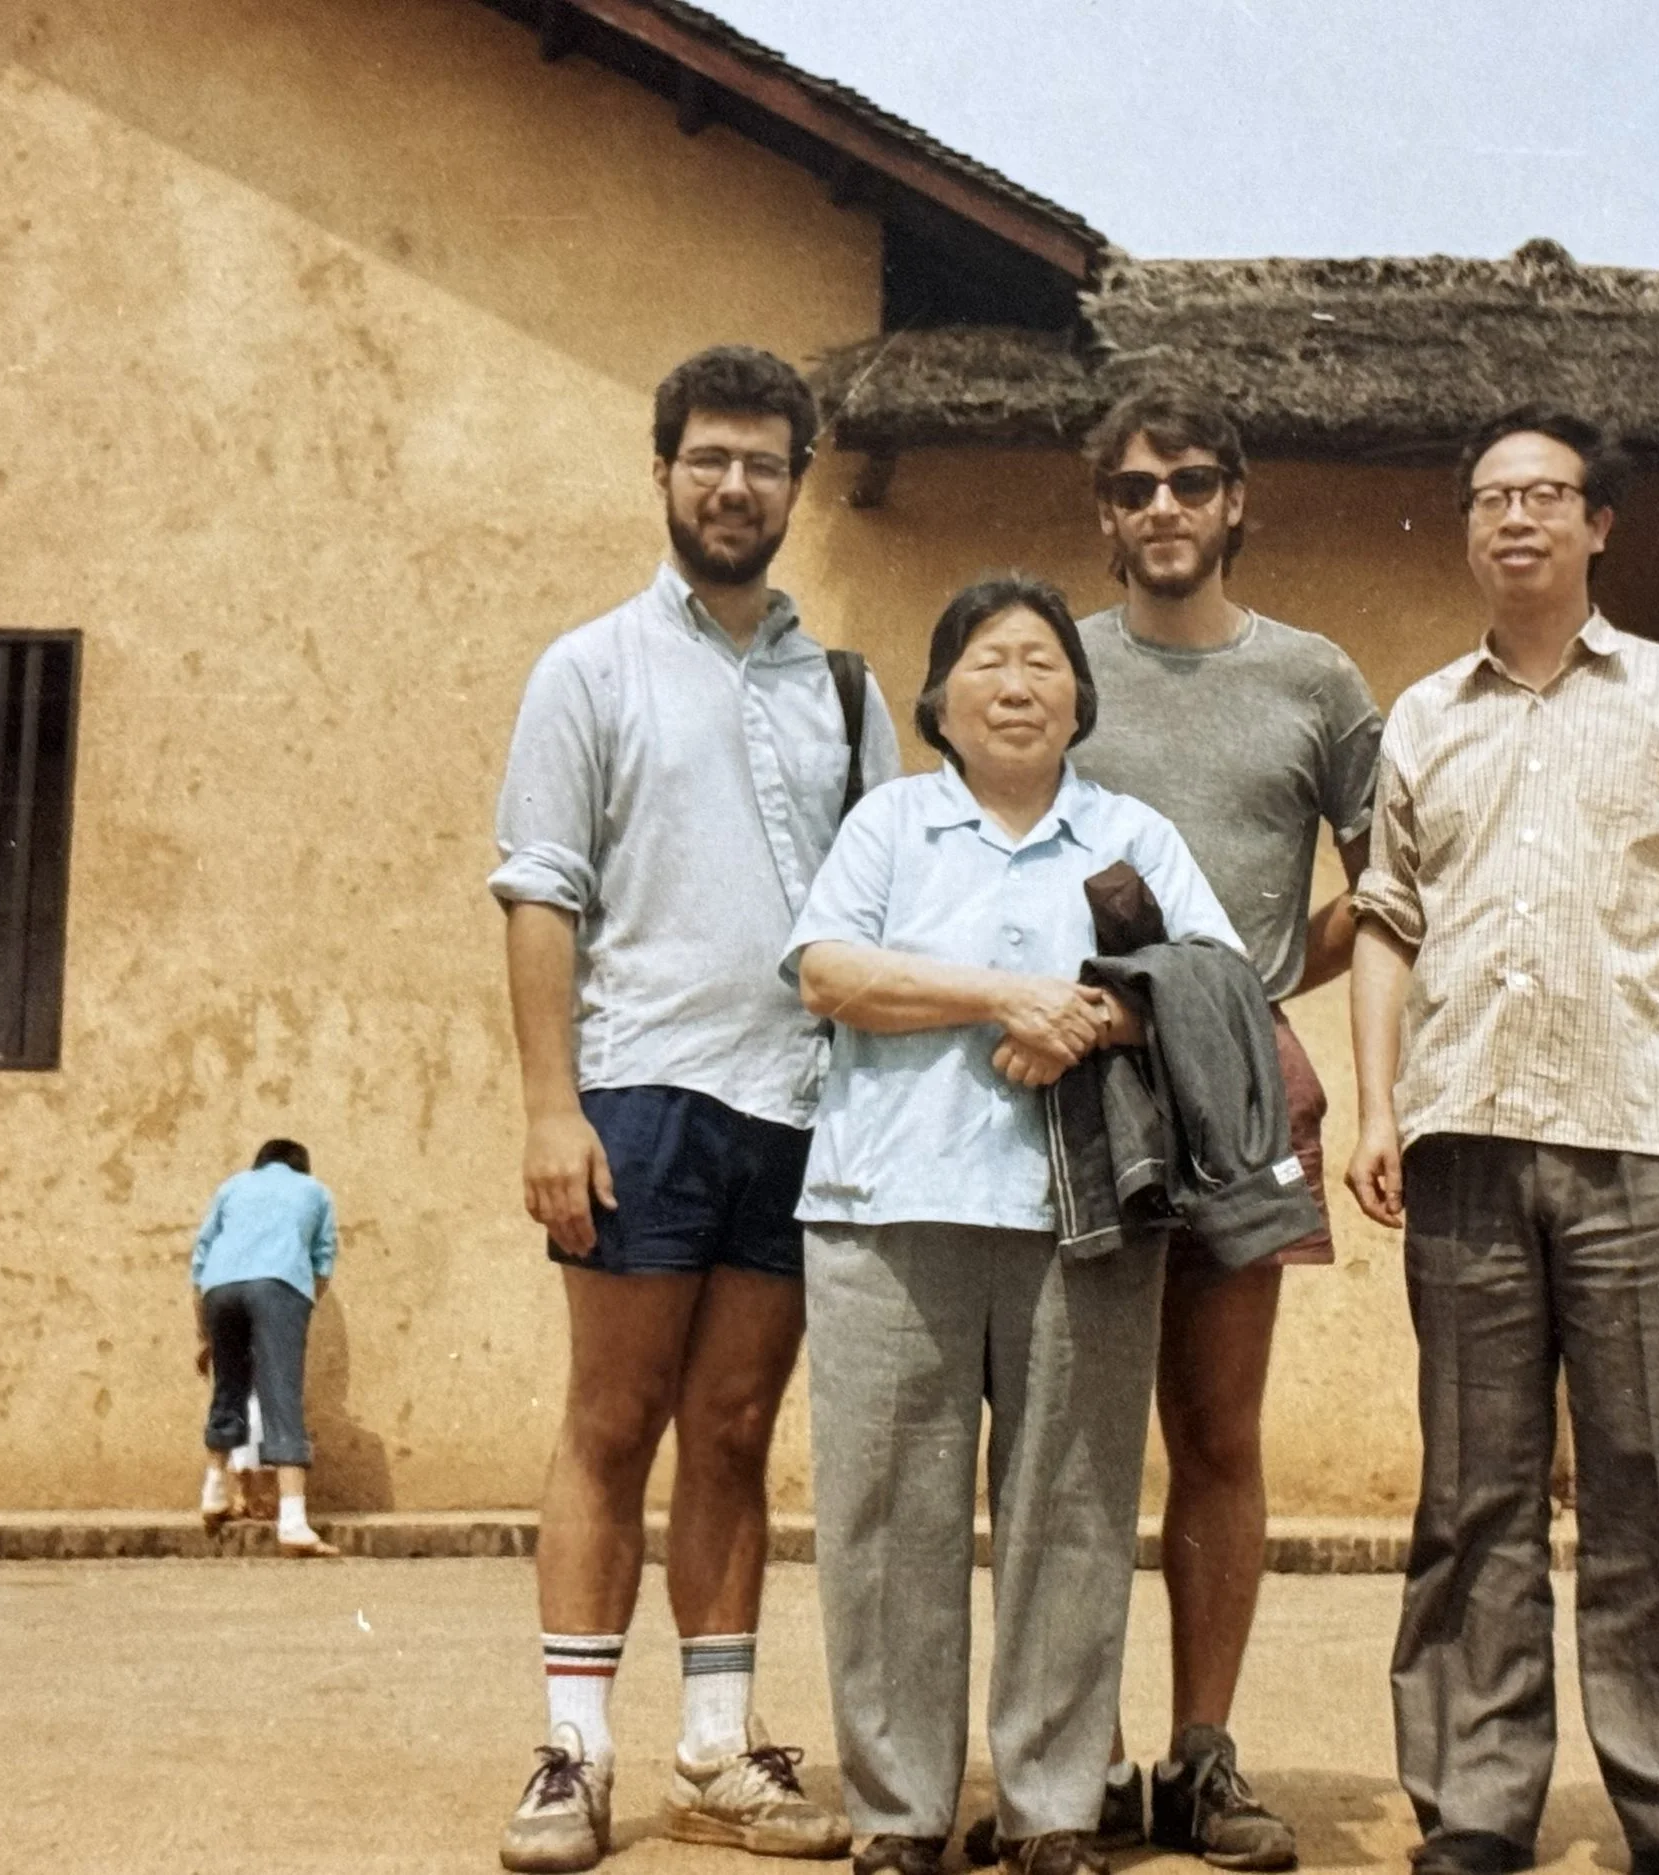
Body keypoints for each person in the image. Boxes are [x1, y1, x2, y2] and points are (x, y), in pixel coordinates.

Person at [1346, 407, 1659, 1875]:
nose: (1515, 519)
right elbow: (1387, 922)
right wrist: (1376, 1100)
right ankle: (1476, 1803)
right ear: (1468, 528)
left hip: (1640, 1142)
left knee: (1650, 1481)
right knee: (1472, 1489)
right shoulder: (1421, 715)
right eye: (1488, 498)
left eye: (1545, 495)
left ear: (1602, 524)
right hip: (1467, 1133)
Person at [489, 345, 894, 1873]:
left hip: (799, 1111)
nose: (736, 485)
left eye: (765, 462)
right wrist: (551, 1107)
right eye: (709, 457)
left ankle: (716, 1749)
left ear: (799, 484)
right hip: (641, 1094)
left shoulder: (845, 687)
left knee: (733, 1426)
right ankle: (572, 1753)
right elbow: (539, 893)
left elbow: (886, 904)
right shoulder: (587, 668)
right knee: (611, 1421)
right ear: (662, 470)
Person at [785, 575, 1244, 1875]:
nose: (1019, 681)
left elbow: (1210, 980)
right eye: (988, 659)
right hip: (887, 1208)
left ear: (1080, 699)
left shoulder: (1128, 838)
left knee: (1074, 1510)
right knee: (885, 1520)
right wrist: (1005, 995)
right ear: (938, 698)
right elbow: (828, 970)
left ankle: (1051, 1806)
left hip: (1083, 1221)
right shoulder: (890, 827)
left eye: (1044, 660)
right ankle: (900, 1810)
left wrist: (1091, 1017)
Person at [1058, 388, 1382, 1869]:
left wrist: (1245, 988)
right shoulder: (1053, 663)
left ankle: (1202, 1753)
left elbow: (1392, 884)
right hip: (1074, 1082)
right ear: (1105, 512)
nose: (1163, 508)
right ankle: (1066, 1760)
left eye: (1191, 481)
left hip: (1236, 1091)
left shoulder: (1315, 681)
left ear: (1237, 499)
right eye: (1134, 488)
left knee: (1217, 1428)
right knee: (1067, 1436)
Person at [191, 1137, 338, 1558]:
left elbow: (199, 1261)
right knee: (281, 1394)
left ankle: (214, 1490)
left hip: (219, 1288)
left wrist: (204, 1334)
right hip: (278, 1285)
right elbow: (322, 1264)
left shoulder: (232, 1186)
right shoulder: (315, 1191)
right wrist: (296, 1308)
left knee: (229, 1385)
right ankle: (292, 1520)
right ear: (301, 1165)